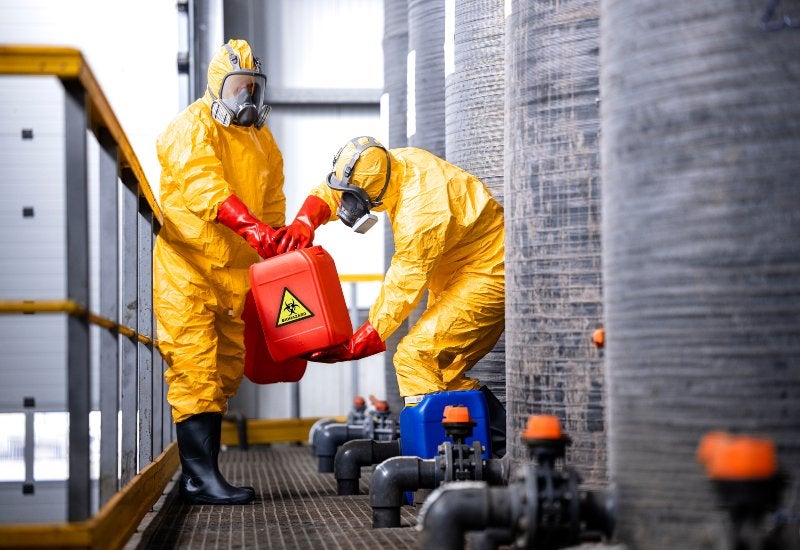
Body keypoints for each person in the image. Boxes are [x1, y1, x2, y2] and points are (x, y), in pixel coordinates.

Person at [275, 136, 507, 456]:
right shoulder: (389, 166)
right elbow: (341, 186)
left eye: (354, 200)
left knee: (415, 357)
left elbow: (404, 282)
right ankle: (493, 447)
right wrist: (306, 220)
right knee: (443, 370)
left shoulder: (420, 211)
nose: (348, 206)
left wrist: (363, 340)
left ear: (373, 190)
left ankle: (440, 459)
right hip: (457, 271)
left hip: (487, 273)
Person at [153, 39, 292, 504]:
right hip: (187, 269)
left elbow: (272, 203)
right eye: (238, 87)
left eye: (253, 87)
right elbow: (204, 188)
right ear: (216, 86)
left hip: (236, 274)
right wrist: (254, 229)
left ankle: (207, 471)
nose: (247, 98)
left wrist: (277, 246)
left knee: (226, 370)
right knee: (195, 367)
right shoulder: (190, 128)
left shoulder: (262, 141)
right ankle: (198, 478)